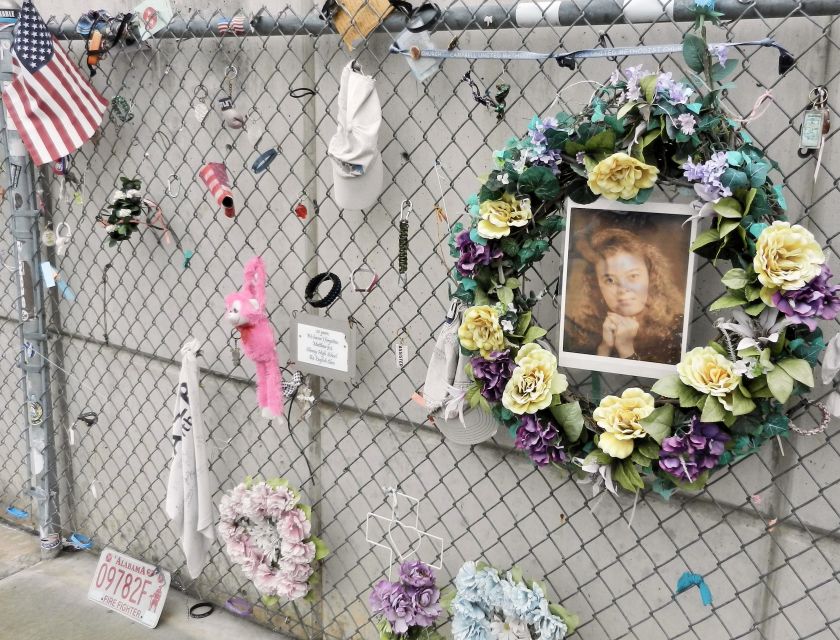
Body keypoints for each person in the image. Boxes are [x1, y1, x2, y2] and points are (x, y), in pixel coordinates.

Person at [564, 225, 685, 364]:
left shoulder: (677, 330)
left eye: (632, 276)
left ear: (651, 277)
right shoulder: (583, 334)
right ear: (597, 286)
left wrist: (625, 349)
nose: (622, 289)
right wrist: (605, 348)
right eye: (610, 280)